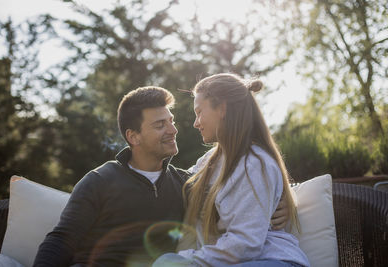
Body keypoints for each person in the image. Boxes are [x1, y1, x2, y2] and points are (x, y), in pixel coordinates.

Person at [33, 86, 288, 267]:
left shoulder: (185, 184)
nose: (173, 130)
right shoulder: (100, 180)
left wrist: (284, 201)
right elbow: (61, 239)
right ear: (134, 137)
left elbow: (239, 188)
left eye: (171, 120)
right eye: (159, 125)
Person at [153, 73, 309, 267]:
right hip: (239, 261)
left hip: (272, 260)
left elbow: (246, 244)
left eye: (199, 112)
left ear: (223, 108)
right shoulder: (208, 163)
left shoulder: (255, 163)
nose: (196, 123)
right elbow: (180, 183)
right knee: (165, 261)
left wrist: (190, 260)